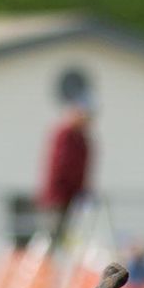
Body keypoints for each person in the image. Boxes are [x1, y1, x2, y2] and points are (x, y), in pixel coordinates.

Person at [38, 94, 93, 245]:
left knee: (68, 236)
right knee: (53, 236)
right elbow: (63, 167)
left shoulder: (82, 139)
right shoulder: (65, 134)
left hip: (73, 198)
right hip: (58, 197)